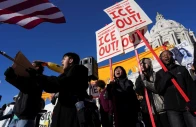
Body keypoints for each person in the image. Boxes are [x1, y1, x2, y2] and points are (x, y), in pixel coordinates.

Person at [27, 52, 91, 127]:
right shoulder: (66, 74)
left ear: (70, 60)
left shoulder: (78, 69)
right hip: (62, 115)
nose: (61, 62)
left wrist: (38, 76)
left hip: (70, 115)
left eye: (64, 59)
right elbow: (52, 86)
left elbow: (59, 83)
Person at [155, 50, 196, 127]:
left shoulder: (181, 69)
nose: (166, 56)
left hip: (187, 105)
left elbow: (191, 87)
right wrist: (166, 78)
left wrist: (193, 103)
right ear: (160, 59)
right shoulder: (159, 74)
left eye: (168, 54)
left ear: (172, 56)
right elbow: (159, 90)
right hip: (172, 109)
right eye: (163, 56)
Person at [4, 61, 44, 127]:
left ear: (37, 68)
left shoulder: (37, 80)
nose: (28, 66)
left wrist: (12, 73)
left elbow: (20, 82)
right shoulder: (28, 78)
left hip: (26, 117)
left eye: (32, 65)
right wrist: (12, 70)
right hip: (16, 115)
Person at [135, 58, 170, 127]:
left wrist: (145, 82)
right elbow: (139, 92)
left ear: (149, 64)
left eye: (145, 63)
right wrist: (140, 78)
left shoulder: (156, 75)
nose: (142, 65)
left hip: (159, 108)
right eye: (141, 64)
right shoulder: (139, 78)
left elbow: (157, 89)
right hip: (148, 111)